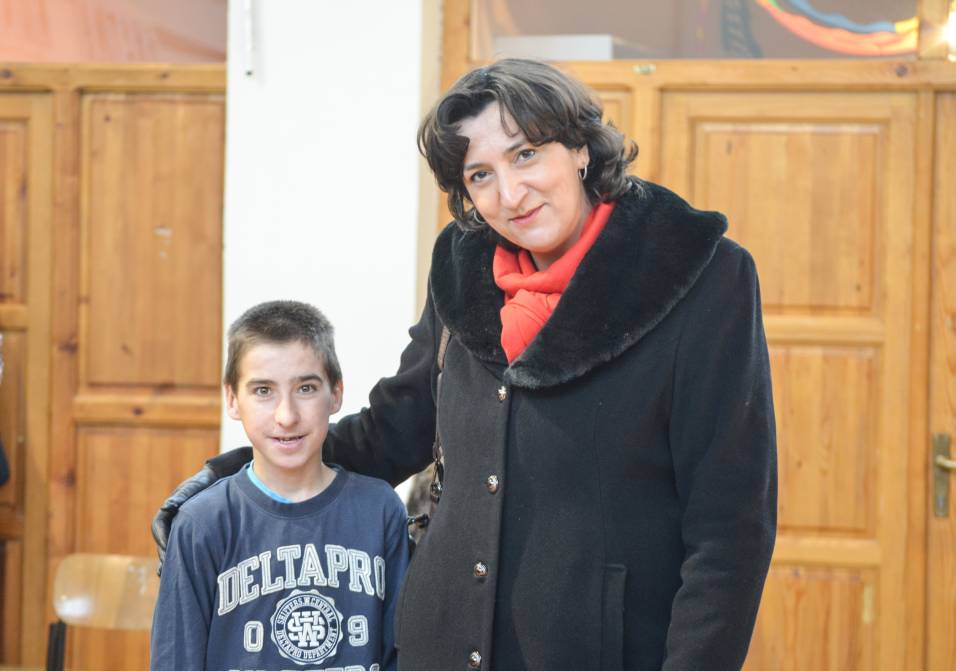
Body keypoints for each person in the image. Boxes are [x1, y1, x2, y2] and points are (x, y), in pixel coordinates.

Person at [153, 59, 777, 670]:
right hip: (442, 644)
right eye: (481, 175)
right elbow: (391, 431)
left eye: (526, 154)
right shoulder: (462, 266)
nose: (510, 194)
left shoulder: (700, 275)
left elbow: (730, 528)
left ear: (580, 149)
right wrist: (234, 475)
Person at [150, 301, 409, 671]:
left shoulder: (381, 510)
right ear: (231, 399)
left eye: (306, 388)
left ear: (336, 394)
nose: (286, 416)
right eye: (263, 391)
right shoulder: (201, 523)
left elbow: (402, 653)